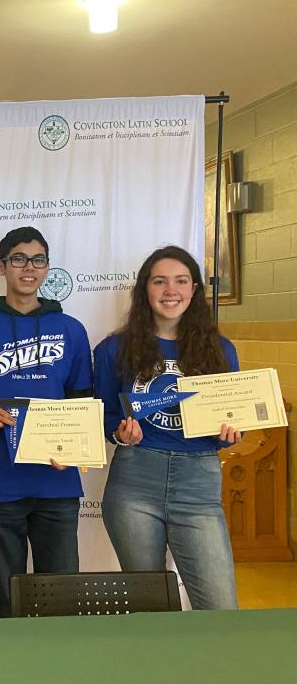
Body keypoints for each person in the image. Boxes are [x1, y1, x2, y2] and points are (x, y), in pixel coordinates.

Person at [0, 226, 92, 618]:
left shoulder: (71, 330)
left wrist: (75, 447)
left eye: (38, 260)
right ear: (1, 266)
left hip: (57, 481)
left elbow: (83, 402)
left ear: (47, 268)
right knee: (8, 596)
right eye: (18, 259)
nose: (28, 268)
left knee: (62, 596)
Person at [93, 245, 240, 609]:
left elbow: (233, 419)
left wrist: (231, 432)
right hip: (135, 482)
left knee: (221, 608)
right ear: (145, 289)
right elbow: (105, 415)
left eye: (180, 281)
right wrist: (119, 432)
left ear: (194, 290)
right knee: (151, 608)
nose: (170, 290)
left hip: (199, 485)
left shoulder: (220, 350)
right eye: (159, 281)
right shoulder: (114, 349)